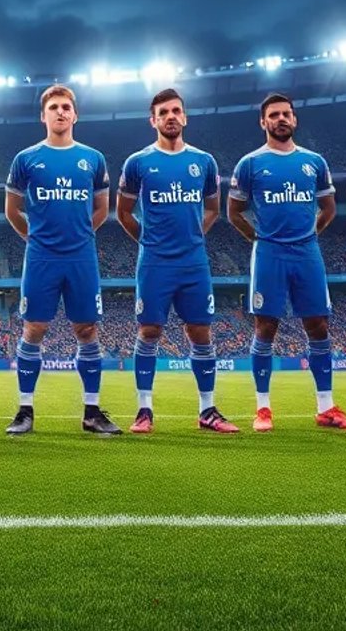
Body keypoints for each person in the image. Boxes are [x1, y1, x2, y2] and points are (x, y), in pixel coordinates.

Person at [226, 93, 346, 432]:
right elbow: (234, 212)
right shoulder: (250, 164)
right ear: (263, 122)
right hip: (269, 254)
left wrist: (309, 233)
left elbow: (329, 208)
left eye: (286, 113)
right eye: (274, 115)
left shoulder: (314, 162)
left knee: (318, 326)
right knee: (265, 327)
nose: (281, 119)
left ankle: (327, 408)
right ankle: (263, 409)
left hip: (307, 253)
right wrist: (258, 238)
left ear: (294, 119)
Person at [116, 88, 235, 434]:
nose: (170, 116)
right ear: (153, 120)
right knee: (149, 330)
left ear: (184, 117)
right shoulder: (138, 163)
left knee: (200, 331)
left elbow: (213, 208)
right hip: (154, 262)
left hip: (194, 262)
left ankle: (207, 410)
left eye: (176, 111)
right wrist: (149, 241)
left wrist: (194, 236)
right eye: (163, 112)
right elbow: (123, 212)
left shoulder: (204, 161)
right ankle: (143, 411)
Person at [3, 85, 118, 435]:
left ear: (75, 114)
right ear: (43, 115)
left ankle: (92, 411)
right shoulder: (26, 159)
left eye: (66, 106)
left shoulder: (93, 159)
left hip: (81, 256)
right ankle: (25, 410)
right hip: (41, 257)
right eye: (53, 107)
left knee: (87, 329)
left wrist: (81, 233)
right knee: (34, 328)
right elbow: (12, 210)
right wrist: (36, 239)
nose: (60, 112)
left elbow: (101, 208)